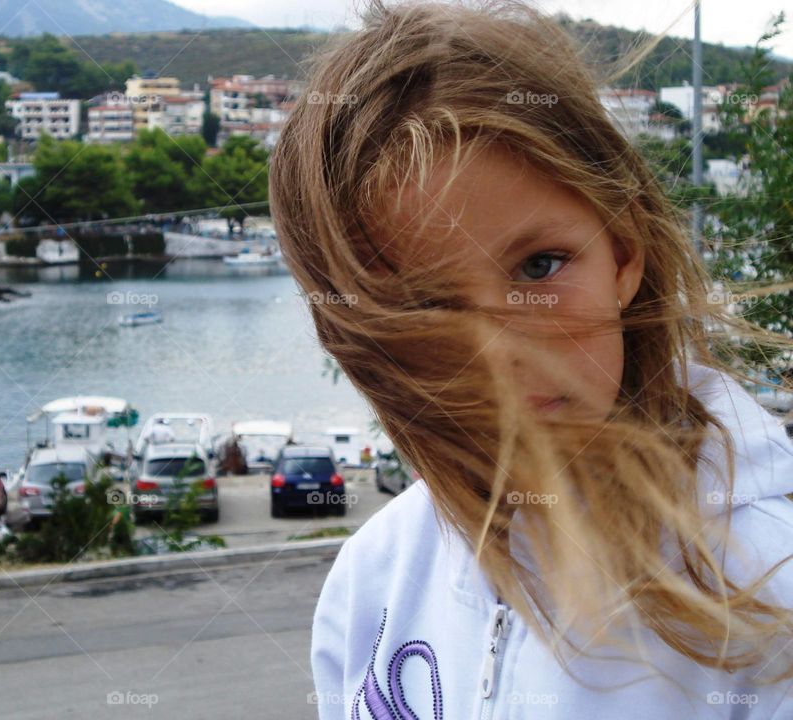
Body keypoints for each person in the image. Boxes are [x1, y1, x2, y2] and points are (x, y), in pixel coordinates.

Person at [268, 2, 793, 717]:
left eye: (540, 266)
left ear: (623, 252)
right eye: (426, 307)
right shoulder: (373, 577)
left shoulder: (768, 581)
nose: (500, 351)